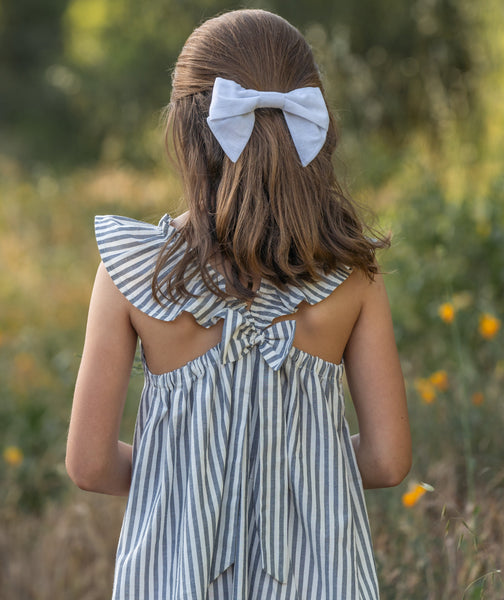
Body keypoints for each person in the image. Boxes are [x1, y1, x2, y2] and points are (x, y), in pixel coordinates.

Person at [66, 8, 411, 600]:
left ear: (184, 129)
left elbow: (90, 465)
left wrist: (185, 478)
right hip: (319, 577)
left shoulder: (132, 268)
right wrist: (297, 468)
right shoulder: (352, 274)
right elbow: (386, 461)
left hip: (175, 576)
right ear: (313, 122)